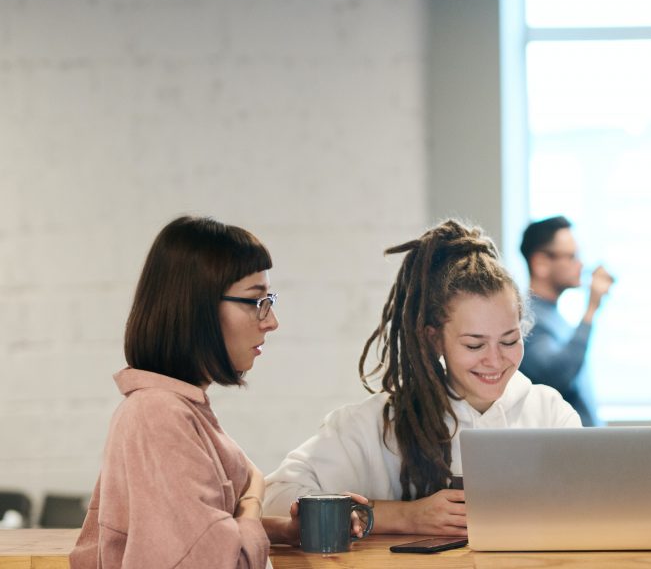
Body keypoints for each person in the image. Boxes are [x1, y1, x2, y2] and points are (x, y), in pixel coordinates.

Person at [72, 216, 363, 568]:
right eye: (256, 301)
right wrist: (253, 496)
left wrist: (284, 530)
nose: (271, 321)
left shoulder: (175, 407)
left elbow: (195, 537)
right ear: (199, 308)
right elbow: (212, 562)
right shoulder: (158, 415)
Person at [264, 220, 580, 536]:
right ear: (434, 339)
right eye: (474, 344)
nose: (495, 360)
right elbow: (277, 498)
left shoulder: (549, 412)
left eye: (510, 340)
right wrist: (404, 516)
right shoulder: (380, 423)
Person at [518, 216, 613, 426]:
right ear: (540, 263)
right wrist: (590, 310)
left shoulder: (553, 315)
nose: (580, 265)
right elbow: (556, 375)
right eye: (571, 256)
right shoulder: (526, 319)